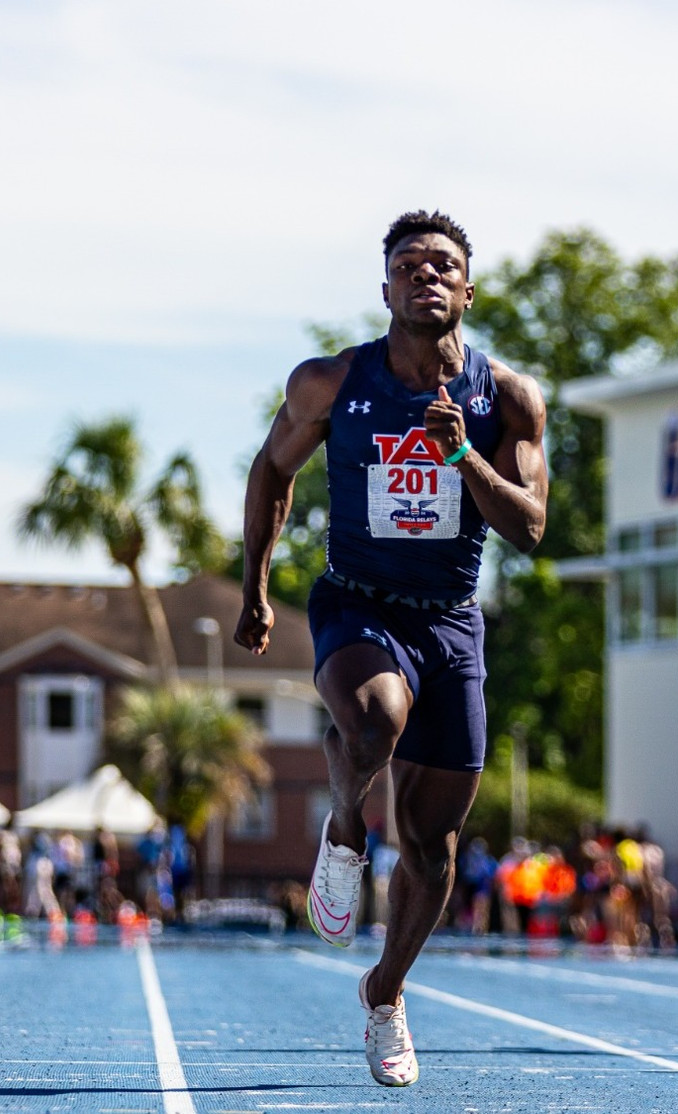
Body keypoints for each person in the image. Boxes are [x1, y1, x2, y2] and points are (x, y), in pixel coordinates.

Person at [235, 210, 548, 1087]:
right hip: (356, 604)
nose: (427, 277)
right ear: (385, 290)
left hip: (450, 620)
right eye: (409, 265)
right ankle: (341, 836)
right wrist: (257, 583)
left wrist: (466, 462)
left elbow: (529, 528)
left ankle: (385, 992)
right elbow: (272, 469)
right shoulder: (334, 382)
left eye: (443, 265)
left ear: (468, 290)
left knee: (435, 844)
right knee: (373, 722)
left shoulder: (509, 398)